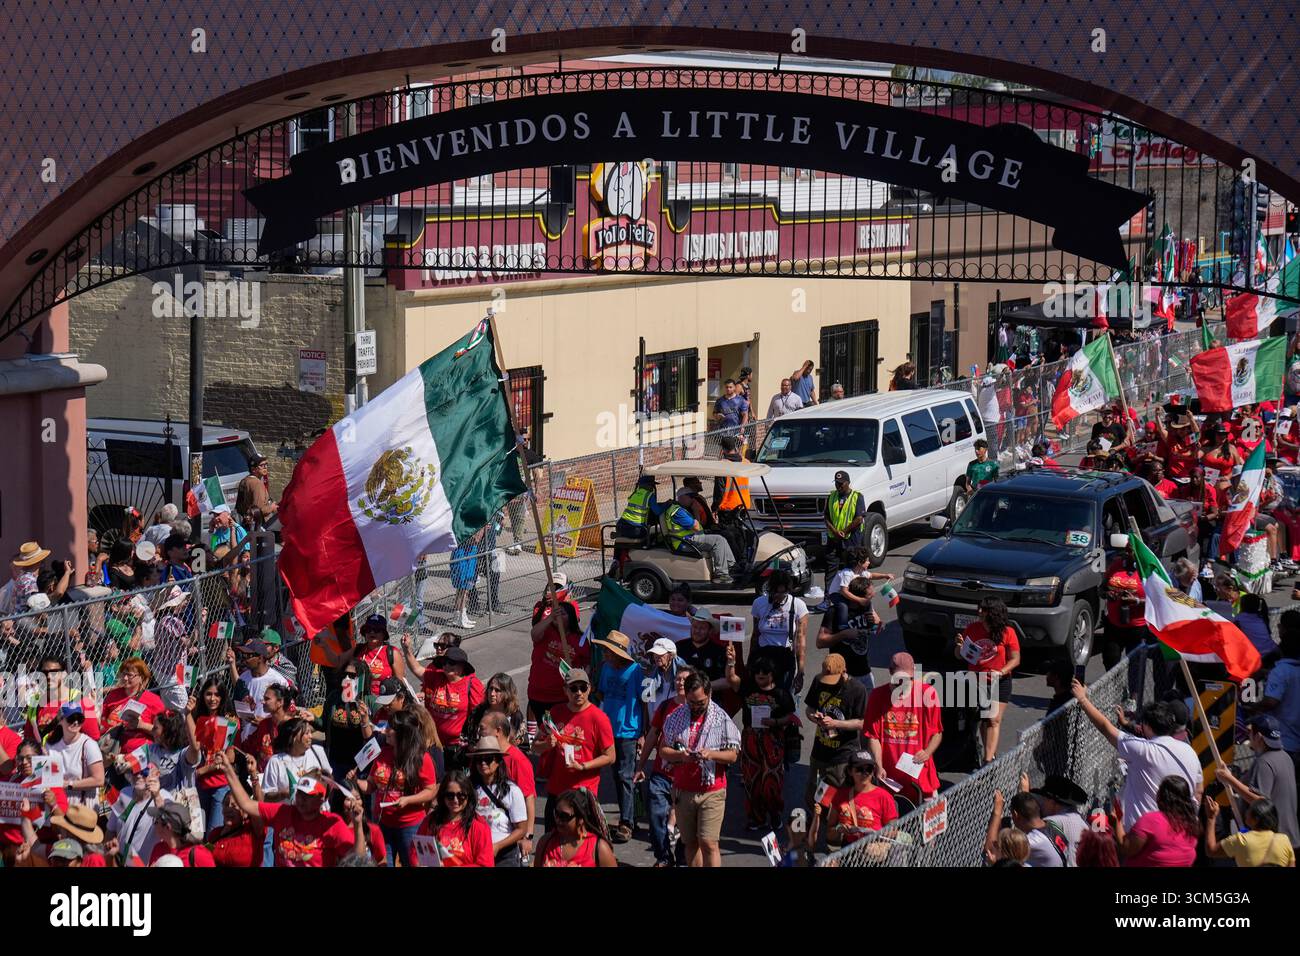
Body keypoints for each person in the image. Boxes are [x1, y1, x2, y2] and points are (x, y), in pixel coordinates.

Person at [1072, 684, 1202, 822]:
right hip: (1181, 832)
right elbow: (1198, 791)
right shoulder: (1191, 752)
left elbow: (1105, 727)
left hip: (1143, 834)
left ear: (1147, 726)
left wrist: (1083, 699)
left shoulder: (1142, 750)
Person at [659, 669, 740, 867]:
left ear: (709, 694)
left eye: (701, 702)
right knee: (690, 842)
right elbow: (663, 751)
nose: (696, 707)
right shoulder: (675, 717)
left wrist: (711, 754)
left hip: (711, 791)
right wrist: (680, 756)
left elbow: (732, 755)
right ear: (685, 696)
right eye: (692, 702)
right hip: (683, 790)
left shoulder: (721, 719)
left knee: (709, 842)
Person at [217, 757, 365, 867]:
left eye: (308, 796)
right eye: (300, 793)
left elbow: (358, 860)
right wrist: (228, 770)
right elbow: (246, 804)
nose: (301, 799)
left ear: (321, 800)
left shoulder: (332, 824)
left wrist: (358, 825)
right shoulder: (283, 812)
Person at [349, 708, 438, 865]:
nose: (386, 731)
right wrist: (355, 780)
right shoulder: (383, 753)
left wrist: (408, 800)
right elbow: (370, 786)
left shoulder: (422, 758)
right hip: (383, 824)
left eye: (390, 728)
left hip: (410, 826)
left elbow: (431, 791)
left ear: (403, 733)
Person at [532, 668, 615, 828]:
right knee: (552, 841)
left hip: (583, 792)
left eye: (583, 688)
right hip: (557, 789)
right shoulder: (556, 712)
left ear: (589, 689)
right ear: (565, 690)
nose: (579, 692)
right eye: (573, 688)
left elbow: (610, 756)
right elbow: (535, 746)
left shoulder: (599, 718)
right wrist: (546, 745)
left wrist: (583, 766)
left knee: (580, 845)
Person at [727, 643, 796, 831]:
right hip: (750, 738)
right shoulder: (748, 688)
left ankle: (774, 813)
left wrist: (774, 723)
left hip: (773, 739)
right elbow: (732, 679)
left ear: (772, 675)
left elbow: (790, 716)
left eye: (764, 676)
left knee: (771, 782)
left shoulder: (781, 694)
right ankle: (756, 818)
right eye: (757, 675)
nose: (760, 679)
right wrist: (731, 661)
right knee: (752, 781)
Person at [803, 653, 868, 848]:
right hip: (820, 750)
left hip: (843, 754)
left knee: (837, 797)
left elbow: (862, 722)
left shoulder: (857, 689)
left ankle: (836, 836)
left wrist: (837, 723)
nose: (828, 683)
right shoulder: (819, 680)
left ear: (844, 672)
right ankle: (823, 824)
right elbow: (809, 708)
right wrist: (815, 717)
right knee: (812, 793)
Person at [863, 652, 943, 806]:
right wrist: (878, 765)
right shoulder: (877, 696)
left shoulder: (927, 694)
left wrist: (927, 752)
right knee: (890, 827)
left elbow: (937, 733)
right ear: (890, 672)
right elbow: (873, 737)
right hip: (889, 779)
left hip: (921, 779)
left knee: (927, 826)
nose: (901, 686)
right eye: (897, 681)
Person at [1214, 714, 1299, 850]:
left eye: (1250, 733)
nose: (1248, 737)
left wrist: (1228, 779)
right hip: (1289, 838)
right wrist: (1232, 777)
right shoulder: (1285, 757)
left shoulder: (1264, 762)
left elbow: (1259, 801)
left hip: (1272, 842)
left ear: (1258, 737)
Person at [591, 630, 644, 844]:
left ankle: (627, 822)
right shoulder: (605, 669)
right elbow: (602, 693)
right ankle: (633, 814)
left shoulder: (635, 671)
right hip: (608, 729)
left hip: (628, 731)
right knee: (618, 775)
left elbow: (644, 702)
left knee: (624, 775)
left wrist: (643, 733)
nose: (604, 654)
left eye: (607, 651)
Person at [635, 667, 689, 867]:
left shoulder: (700, 709)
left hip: (687, 778)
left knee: (686, 823)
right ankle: (664, 857)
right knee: (656, 816)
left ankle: (683, 859)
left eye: (685, 679)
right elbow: (652, 736)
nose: (680, 682)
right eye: (678, 679)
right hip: (661, 774)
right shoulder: (665, 706)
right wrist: (640, 765)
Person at [955, 597, 1020, 762]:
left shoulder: (1008, 632)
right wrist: (960, 647)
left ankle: (988, 761)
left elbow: (1015, 659)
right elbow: (959, 656)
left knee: (993, 718)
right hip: (977, 682)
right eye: (979, 608)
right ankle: (988, 752)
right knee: (985, 719)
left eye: (983, 609)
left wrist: (1001, 671)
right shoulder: (972, 629)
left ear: (993, 613)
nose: (979, 612)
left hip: (1000, 681)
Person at [410, 646, 483, 772]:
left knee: (454, 782)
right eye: (444, 662)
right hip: (433, 742)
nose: (447, 666)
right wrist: (407, 650)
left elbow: (479, 715)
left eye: (452, 663)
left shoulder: (472, 684)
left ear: (462, 666)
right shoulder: (436, 677)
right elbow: (417, 668)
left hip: (457, 747)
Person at [477, 711, 536, 861]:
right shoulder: (481, 757)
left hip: (506, 848)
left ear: (498, 731)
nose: (479, 732)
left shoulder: (518, 760)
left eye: (482, 728)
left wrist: (527, 836)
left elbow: (528, 797)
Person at [466, 735, 528, 866]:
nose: (483, 763)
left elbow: (521, 829)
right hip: (475, 852)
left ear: (498, 761)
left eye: (488, 759)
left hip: (504, 855)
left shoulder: (512, 790)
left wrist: (498, 846)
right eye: (479, 760)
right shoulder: (468, 788)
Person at [1116, 775, 1201, 867]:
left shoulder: (1151, 821)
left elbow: (1126, 848)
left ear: (1162, 796)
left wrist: (1116, 821)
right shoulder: (1193, 825)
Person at [415, 769, 494, 867]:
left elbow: (485, 864)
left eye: (461, 795)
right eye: (450, 795)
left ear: (468, 796)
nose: (455, 800)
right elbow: (416, 849)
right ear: (443, 796)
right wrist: (418, 864)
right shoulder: (431, 821)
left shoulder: (478, 826)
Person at [188, 678, 238, 829]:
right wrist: (188, 714)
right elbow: (193, 745)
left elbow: (230, 756)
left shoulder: (229, 720)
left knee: (213, 832)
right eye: (208, 694)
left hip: (220, 784)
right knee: (197, 832)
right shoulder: (197, 717)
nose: (212, 699)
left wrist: (203, 770)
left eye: (217, 695)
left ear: (222, 697)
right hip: (199, 784)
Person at [823, 750, 897, 847]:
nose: (865, 773)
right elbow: (829, 834)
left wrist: (875, 834)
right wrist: (839, 829)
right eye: (859, 769)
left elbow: (894, 832)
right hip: (848, 850)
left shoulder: (884, 797)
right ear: (850, 771)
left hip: (874, 850)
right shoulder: (840, 795)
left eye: (869, 769)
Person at [749, 570, 808, 692]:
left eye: (784, 592)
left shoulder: (798, 605)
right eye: (776, 592)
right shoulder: (759, 603)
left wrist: (800, 671)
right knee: (761, 698)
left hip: (784, 657)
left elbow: (800, 641)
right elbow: (755, 635)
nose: (779, 596)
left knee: (783, 698)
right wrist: (750, 661)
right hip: (763, 657)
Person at [663, 486, 736, 584]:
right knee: (718, 540)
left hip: (690, 537)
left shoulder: (682, 509)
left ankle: (732, 566)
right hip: (684, 541)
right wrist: (696, 511)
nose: (692, 499)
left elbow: (697, 525)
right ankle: (721, 575)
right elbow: (696, 526)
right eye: (690, 497)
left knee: (721, 537)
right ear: (682, 498)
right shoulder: (678, 512)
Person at [533, 787, 617, 867]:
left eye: (564, 816)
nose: (558, 820)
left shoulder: (599, 849)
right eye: (556, 814)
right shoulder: (545, 842)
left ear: (581, 819)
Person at [1204, 796, 1296, 867]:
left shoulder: (1241, 840)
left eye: (1249, 809)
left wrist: (1211, 818)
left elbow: (1211, 851)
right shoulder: (1284, 839)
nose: (1246, 812)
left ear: (1256, 819)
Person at [101, 657, 167, 754]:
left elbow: (164, 733)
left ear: (141, 678)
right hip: (111, 752)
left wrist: (141, 725)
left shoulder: (154, 701)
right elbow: (102, 720)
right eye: (123, 673)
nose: (125, 678)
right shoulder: (113, 695)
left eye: (130, 675)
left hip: (139, 755)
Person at [260, 717, 331, 802]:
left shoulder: (317, 751)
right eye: (306, 733)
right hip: (288, 813)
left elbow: (330, 782)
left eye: (310, 732)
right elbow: (266, 796)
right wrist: (283, 794)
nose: (311, 736)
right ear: (293, 738)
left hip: (317, 812)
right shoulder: (276, 761)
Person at [47, 703, 104, 806]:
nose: (76, 722)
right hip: (57, 803)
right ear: (60, 720)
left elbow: (99, 779)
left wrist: (68, 784)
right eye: (71, 718)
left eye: (80, 718)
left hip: (82, 807)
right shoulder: (51, 745)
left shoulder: (89, 745)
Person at [1026, 773, 1089, 866]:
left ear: (1052, 802)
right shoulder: (1081, 820)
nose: (1041, 804)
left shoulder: (1053, 822)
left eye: (1044, 799)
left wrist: (1024, 799)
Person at [225, 636, 291, 721]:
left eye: (249, 655)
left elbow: (287, 712)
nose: (245, 659)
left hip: (269, 733)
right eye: (243, 655)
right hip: (246, 733)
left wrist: (263, 724)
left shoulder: (278, 681)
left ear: (260, 657)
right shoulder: (243, 678)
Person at [1102, 550, 1147, 671]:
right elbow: (1101, 589)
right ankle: (1114, 689)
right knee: (1110, 662)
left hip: (1137, 629)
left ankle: (1134, 690)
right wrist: (1108, 594)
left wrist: (1136, 600)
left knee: (1136, 668)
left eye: (1131, 550)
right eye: (1126, 549)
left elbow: (1158, 601)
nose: (1127, 553)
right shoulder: (1116, 564)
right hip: (1114, 626)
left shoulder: (1149, 569)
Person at [823, 470, 865, 590]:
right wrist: (835, 531)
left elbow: (859, 518)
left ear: (848, 483)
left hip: (851, 539)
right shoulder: (832, 497)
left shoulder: (857, 497)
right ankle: (828, 597)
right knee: (830, 569)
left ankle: (852, 595)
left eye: (841, 483)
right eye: (837, 483)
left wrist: (845, 531)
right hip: (834, 538)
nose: (839, 486)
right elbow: (826, 517)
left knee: (852, 569)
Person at [205, 789, 265, 867]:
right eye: (226, 804)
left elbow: (258, 806)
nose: (229, 808)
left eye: (234, 805)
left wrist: (254, 780)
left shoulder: (252, 832)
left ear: (246, 812)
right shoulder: (215, 834)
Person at [146, 800, 215, 867]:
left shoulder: (198, 853)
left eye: (156, 821)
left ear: (167, 827)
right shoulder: (158, 848)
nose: (154, 825)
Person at [615, 473, 662, 542]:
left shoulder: (634, 494)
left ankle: (621, 533)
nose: (652, 487)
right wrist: (667, 505)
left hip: (620, 525)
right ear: (647, 485)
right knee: (651, 533)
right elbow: (657, 511)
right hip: (635, 529)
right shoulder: (649, 495)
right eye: (652, 485)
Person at [235, 454, 278, 526]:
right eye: (262, 465)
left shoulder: (245, 480)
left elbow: (240, 507)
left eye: (266, 464)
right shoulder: (257, 483)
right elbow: (258, 511)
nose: (265, 467)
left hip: (247, 524)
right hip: (259, 526)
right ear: (253, 469)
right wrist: (272, 507)